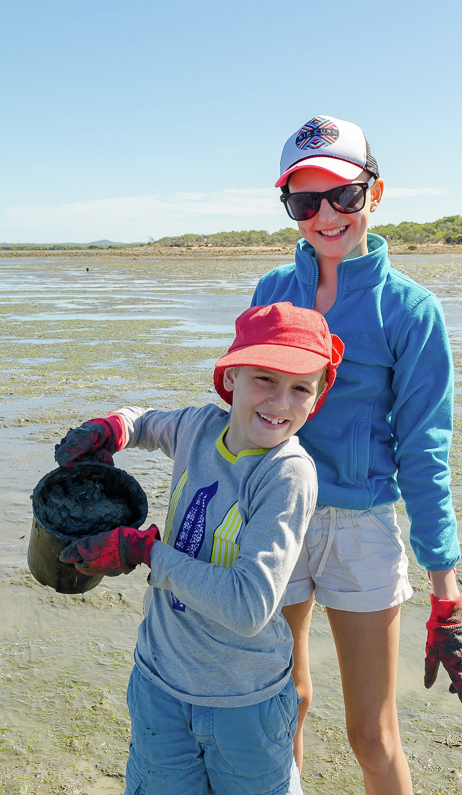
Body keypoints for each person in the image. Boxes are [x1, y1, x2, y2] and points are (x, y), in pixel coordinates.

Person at [251, 115, 462, 794]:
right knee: (279, 705)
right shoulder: (273, 291)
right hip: (275, 515)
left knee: (372, 735)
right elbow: (239, 417)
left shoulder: (411, 311)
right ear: (291, 209)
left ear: (374, 195)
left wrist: (446, 589)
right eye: (305, 200)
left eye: (344, 196)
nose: (326, 215)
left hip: (362, 528)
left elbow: (425, 451)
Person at [55, 301, 344, 795]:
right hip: (158, 686)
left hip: (244, 704)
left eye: (301, 388)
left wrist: (145, 552)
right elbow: (145, 421)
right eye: (264, 379)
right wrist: (113, 429)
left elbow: (250, 604)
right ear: (231, 377)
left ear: (316, 399)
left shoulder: (286, 474)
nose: (280, 402)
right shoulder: (198, 427)